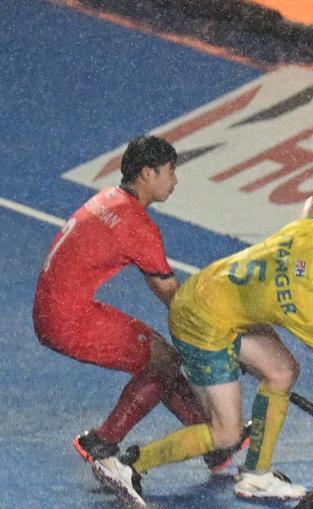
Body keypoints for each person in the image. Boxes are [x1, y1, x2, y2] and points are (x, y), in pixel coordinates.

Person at [90, 196, 313, 508]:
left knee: (282, 371)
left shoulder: (308, 237)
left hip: (208, 294)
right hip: (201, 328)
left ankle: (257, 476)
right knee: (226, 433)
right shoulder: (307, 308)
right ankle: (125, 465)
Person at [32, 135, 236, 475]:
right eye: (170, 171)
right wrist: (220, 338)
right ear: (147, 174)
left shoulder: (109, 199)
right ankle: (102, 442)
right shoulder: (137, 226)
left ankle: (214, 441)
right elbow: (175, 299)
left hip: (57, 307)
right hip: (67, 319)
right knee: (162, 361)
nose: (175, 180)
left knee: (162, 355)